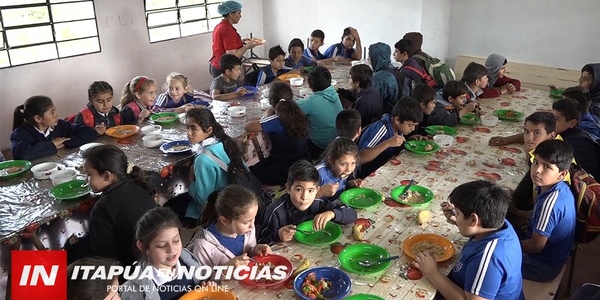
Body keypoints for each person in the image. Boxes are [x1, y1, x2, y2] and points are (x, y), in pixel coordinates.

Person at [425, 181, 524, 300]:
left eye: (458, 213)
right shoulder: (499, 223)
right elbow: (478, 229)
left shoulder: (488, 258)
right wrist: (458, 221)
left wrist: (433, 273)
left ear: (473, 220)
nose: (455, 215)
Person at [163, 108, 247, 226]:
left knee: (168, 207)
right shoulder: (225, 143)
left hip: (213, 210)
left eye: (193, 128)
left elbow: (203, 200)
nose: (188, 133)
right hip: (234, 199)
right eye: (187, 127)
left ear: (208, 130)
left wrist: (191, 181)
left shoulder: (203, 160)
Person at [83, 145, 157, 266]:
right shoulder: (140, 183)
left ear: (107, 176)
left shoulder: (101, 208)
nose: (86, 180)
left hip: (131, 268)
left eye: (89, 174)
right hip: (155, 256)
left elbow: (105, 255)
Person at [258, 160, 357, 244]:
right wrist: (277, 236)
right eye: (299, 190)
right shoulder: (275, 212)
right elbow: (260, 243)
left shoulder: (317, 203)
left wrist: (332, 214)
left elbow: (352, 214)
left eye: (310, 191)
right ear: (288, 188)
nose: (304, 197)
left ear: (317, 190)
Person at [120, 207, 208, 300]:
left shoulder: (188, 261)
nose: (172, 250)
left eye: (176, 240)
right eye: (161, 245)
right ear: (143, 247)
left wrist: (205, 288)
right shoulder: (134, 292)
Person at [521, 139, 575, 282]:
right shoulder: (557, 188)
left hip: (542, 266)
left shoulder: (550, 204)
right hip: (550, 255)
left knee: (485, 255)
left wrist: (504, 244)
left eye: (547, 167)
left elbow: (535, 246)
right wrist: (514, 211)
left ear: (562, 174)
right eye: (536, 162)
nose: (537, 170)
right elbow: (537, 218)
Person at [189, 185, 272, 267]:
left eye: (254, 218)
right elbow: (201, 278)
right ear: (224, 221)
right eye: (246, 222)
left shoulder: (247, 229)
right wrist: (226, 269)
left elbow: (249, 251)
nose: (252, 225)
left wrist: (255, 250)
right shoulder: (203, 246)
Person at [244, 81, 309, 185]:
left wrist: (267, 113)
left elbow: (248, 126)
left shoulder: (276, 120)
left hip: (285, 168)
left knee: (252, 172)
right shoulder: (298, 113)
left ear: (270, 102)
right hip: (304, 162)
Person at [11, 95, 98, 161]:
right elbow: (21, 155)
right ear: (38, 118)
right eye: (51, 112)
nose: (56, 115)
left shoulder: (60, 125)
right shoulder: (20, 133)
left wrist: (64, 144)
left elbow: (89, 132)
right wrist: (52, 144)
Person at [357, 96, 422, 178]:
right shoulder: (381, 129)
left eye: (415, 126)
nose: (413, 129)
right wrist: (387, 143)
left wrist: (408, 141)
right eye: (410, 125)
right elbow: (360, 158)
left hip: (385, 168)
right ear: (397, 120)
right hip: (368, 174)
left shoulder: (398, 128)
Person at [297, 66, 343, 159]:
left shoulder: (310, 102)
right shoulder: (333, 93)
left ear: (309, 84)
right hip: (337, 143)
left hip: (320, 147)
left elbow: (289, 107)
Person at [551, 98, 600, 179]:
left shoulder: (574, 143)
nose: (550, 122)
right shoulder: (568, 133)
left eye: (556, 119)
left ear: (572, 123)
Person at [209, 0, 259, 78]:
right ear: (231, 14)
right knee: (228, 90)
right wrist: (247, 46)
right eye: (239, 13)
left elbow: (225, 44)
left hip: (216, 64)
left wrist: (241, 41)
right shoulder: (227, 29)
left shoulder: (220, 26)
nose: (240, 16)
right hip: (224, 69)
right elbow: (232, 55)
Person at [315, 137, 362, 202]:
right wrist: (321, 192)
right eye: (343, 164)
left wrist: (350, 184)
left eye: (353, 163)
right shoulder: (318, 173)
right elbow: (302, 198)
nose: (349, 169)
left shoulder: (346, 170)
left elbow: (344, 184)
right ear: (331, 160)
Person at [368, 42, 398, 116]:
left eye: (369, 56)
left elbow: (372, 103)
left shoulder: (380, 77)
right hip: (397, 111)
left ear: (375, 57)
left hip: (387, 116)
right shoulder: (393, 68)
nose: (368, 59)